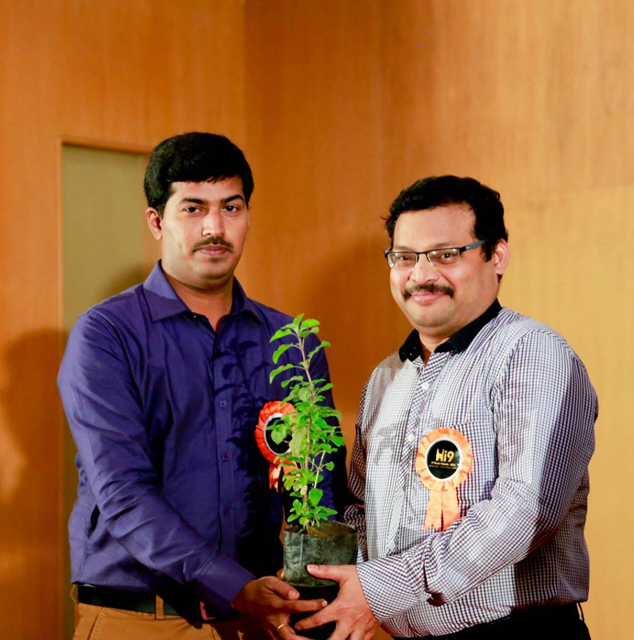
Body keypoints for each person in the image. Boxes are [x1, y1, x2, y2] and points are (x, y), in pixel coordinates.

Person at [58, 132, 345, 640]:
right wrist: (233, 585)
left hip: (264, 617)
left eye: (230, 207)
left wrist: (311, 592)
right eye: (193, 208)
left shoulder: (292, 342)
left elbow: (317, 483)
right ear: (156, 221)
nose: (215, 227)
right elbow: (123, 491)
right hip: (141, 619)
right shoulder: (106, 334)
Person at [295, 176, 598, 639]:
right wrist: (337, 589)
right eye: (405, 257)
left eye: (445, 254)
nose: (420, 275)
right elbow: (359, 506)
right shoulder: (385, 378)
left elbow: (525, 512)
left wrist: (380, 588)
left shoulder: (532, 353)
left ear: (497, 256)